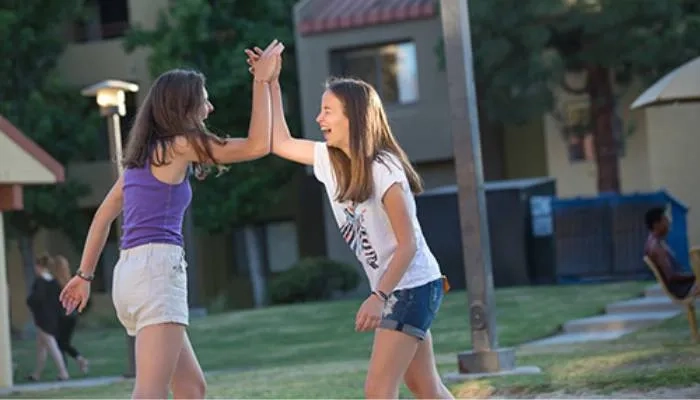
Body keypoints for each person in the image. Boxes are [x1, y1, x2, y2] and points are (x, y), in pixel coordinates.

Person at [59, 39, 284, 399]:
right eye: (204, 101)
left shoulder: (139, 160)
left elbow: (102, 217)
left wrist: (84, 275)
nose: (209, 108)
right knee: (150, 391)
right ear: (184, 106)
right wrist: (262, 81)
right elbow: (258, 145)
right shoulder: (180, 145)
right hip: (157, 271)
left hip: (129, 276)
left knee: (191, 388)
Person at [245, 48, 453, 399]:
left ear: (353, 118)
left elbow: (409, 245)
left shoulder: (384, 168)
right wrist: (270, 82)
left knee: (378, 390)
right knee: (424, 386)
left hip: (412, 285)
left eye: (327, 111)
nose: (319, 118)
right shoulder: (330, 160)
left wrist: (377, 296)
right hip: (399, 287)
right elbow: (277, 142)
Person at [26, 254, 70, 381]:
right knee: (41, 347)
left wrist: (29, 300)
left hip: (43, 319)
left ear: (39, 266)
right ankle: (37, 374)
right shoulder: (53, 281)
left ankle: (63, 372)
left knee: (50, 344)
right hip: (52, 317)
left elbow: (36, 299)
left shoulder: (40, 282)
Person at [644, 207, 699, 299]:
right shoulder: (656, 247)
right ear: (656, 224)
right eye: (665, 220)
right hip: (682, 289)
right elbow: (672, 277)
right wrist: (696, 276)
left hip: (683, 286)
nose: (669, 223)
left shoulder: (654, 243)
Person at [53, 255, 90, 374]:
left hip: (62, 316)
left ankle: (78, 361)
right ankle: (66, 368)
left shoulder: (55, 283)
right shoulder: (70, 281)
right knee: (62, 343)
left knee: (61, 343)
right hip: (72, 316)